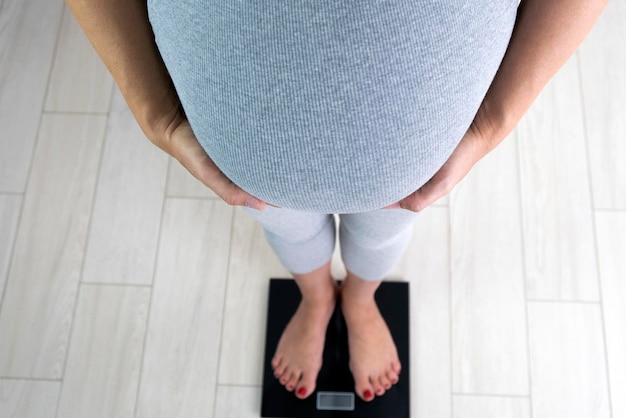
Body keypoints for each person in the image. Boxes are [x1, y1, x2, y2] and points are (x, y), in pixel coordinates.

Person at [67, 0, 607, 403]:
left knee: (384, 229)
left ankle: (360, 300)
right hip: (254, 162)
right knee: (287, 224)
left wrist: (494, 121)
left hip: (406, 160)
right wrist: (155, 113)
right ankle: (318, 297)